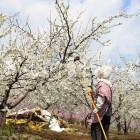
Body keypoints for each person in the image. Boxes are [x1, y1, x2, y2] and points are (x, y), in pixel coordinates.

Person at [89, 65, 113, 140]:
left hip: (102, 110)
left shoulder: (102, 84)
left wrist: (97, 108)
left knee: (96, 128)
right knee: (105, 130)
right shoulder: (108, 85)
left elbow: (101, 97)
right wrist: (93, 95)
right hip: (108, 110)